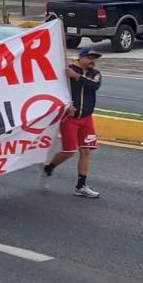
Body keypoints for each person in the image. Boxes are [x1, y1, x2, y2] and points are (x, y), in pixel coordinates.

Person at [41, 48, 103, 198]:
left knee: (86, 150)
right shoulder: (67, 70)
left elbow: (94, 86)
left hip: (86, 118)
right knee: (69, 151)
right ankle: (48, 168)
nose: (92, 61)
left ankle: (81, 186)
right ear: (80, 58)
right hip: (70, 118)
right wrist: (66, 105)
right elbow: (56, 90)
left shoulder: (95, 74)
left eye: (94, 58)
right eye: (89, 57)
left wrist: (76, 76)